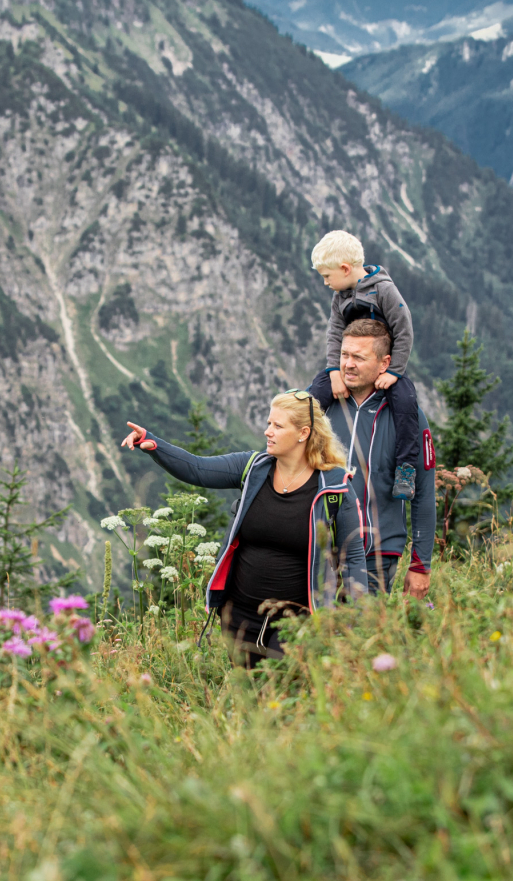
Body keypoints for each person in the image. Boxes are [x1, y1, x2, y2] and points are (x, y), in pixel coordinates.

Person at [119, 391, 359, 665]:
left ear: (303, 433)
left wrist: (357, 625)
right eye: (269, 423)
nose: (267, 432)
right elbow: (198, 468)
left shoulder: (334, 488)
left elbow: (353, 557)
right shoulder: (253, 468)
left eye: (278, 426)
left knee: (281, 692)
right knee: (249, 698)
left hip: (297, 621)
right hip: (240, 615)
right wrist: (152, 443)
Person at [304, 230, 426, 500]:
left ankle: (405, 469)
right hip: (348, 363)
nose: (326, 283)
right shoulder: (341, 297)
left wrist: (394, 372)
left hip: (385, 365)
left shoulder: (384, 290)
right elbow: (335, 333)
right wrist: (334, 371)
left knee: (406, 402)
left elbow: (404, 330)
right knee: (314, 395)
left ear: (345, 268)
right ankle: (301, 449)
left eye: (327, 276)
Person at [325, 318, 438, 598]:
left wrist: (420, 565)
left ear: (385, 363)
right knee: (304, 638)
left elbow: (423, 495)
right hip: (316, 553)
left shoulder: (408, 418)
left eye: (359, 357)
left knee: (358, 639)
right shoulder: (322, 408)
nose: (348, 364)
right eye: (344, 355)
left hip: (375, 557)